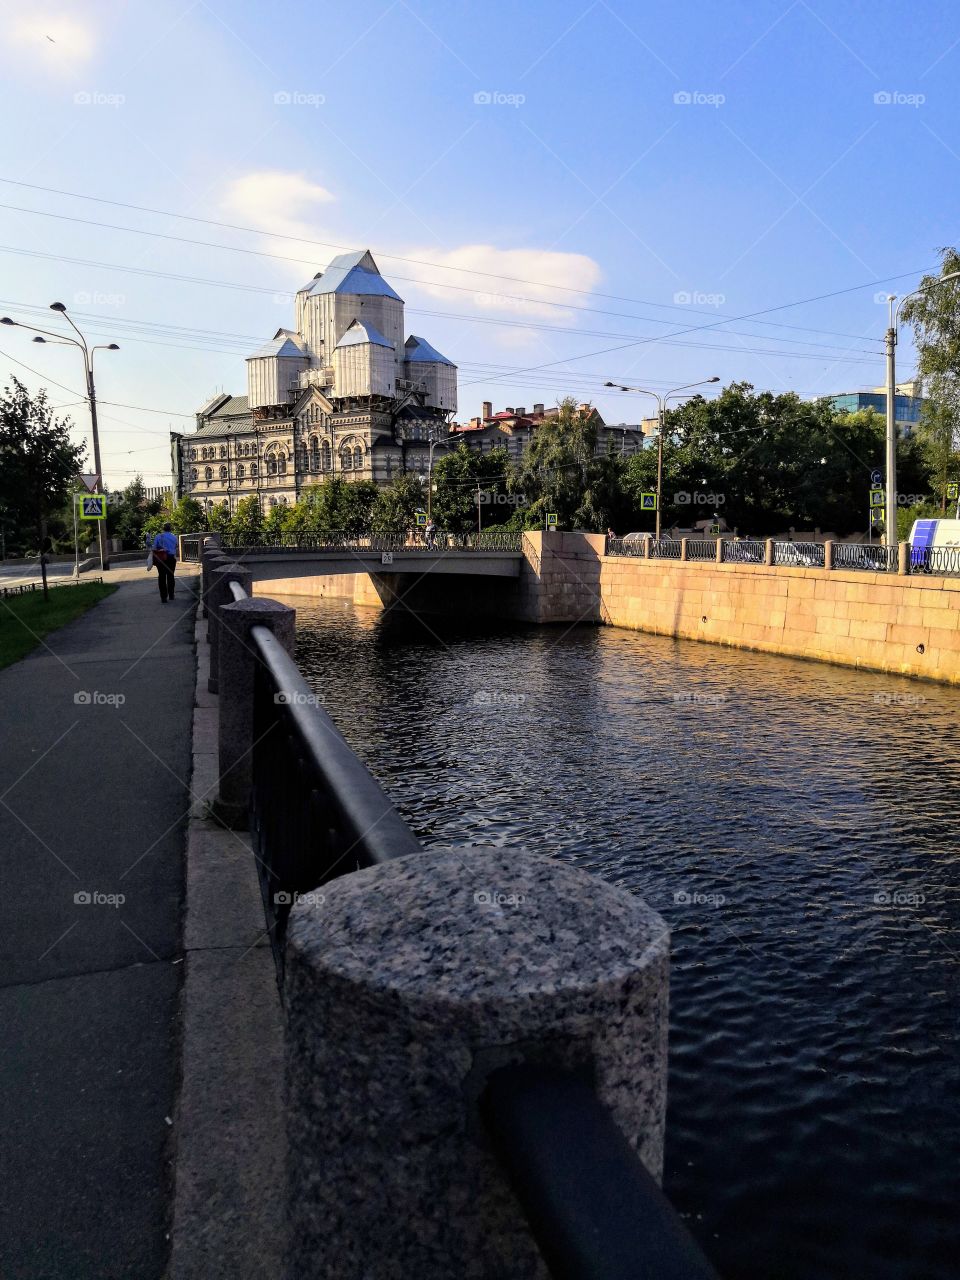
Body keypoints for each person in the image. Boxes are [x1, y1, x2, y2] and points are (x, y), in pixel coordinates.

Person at [151, 523, 178, 602]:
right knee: (171, 576)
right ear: (171, 528)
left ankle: (163, 597)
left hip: (161, 558)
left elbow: (154, 547)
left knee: (162, 577)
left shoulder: (158, 536)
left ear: (163, 529)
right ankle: (171, 595)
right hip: (171, 558)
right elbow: (175, 546)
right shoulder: (174, 537)